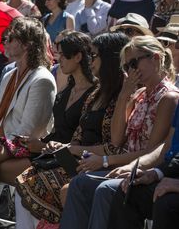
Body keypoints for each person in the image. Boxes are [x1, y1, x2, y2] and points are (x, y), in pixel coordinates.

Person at [60, 35, 179, 229]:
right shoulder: (139, 95)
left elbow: (153, 151)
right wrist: (124, 96)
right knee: (79, 184)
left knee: (104, 189)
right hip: (125, 164)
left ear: (155, 58)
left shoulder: (169, 97)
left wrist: (107, 161)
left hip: (143, 169)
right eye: (126, 67)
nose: (130, 71)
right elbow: (116, 140)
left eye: (133, 63)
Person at [14, 32, 127, 228]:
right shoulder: (97, 94)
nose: (91, 59)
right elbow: (78, 136)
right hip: (77, 159)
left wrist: (72, 149)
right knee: (26, 180)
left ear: (109, 58)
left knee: (32, 183)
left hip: (99, 163)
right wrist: (62, 147)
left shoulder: (120, 95)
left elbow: (114, 146)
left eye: (95, 55)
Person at [0, 17, 57, 229]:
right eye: (4, 38)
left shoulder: (42, 79)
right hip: (2, 146)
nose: (5, 42)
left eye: (10, 38)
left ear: (27, 44)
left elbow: (27, 130)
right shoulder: (10, 74)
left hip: (30, 149)